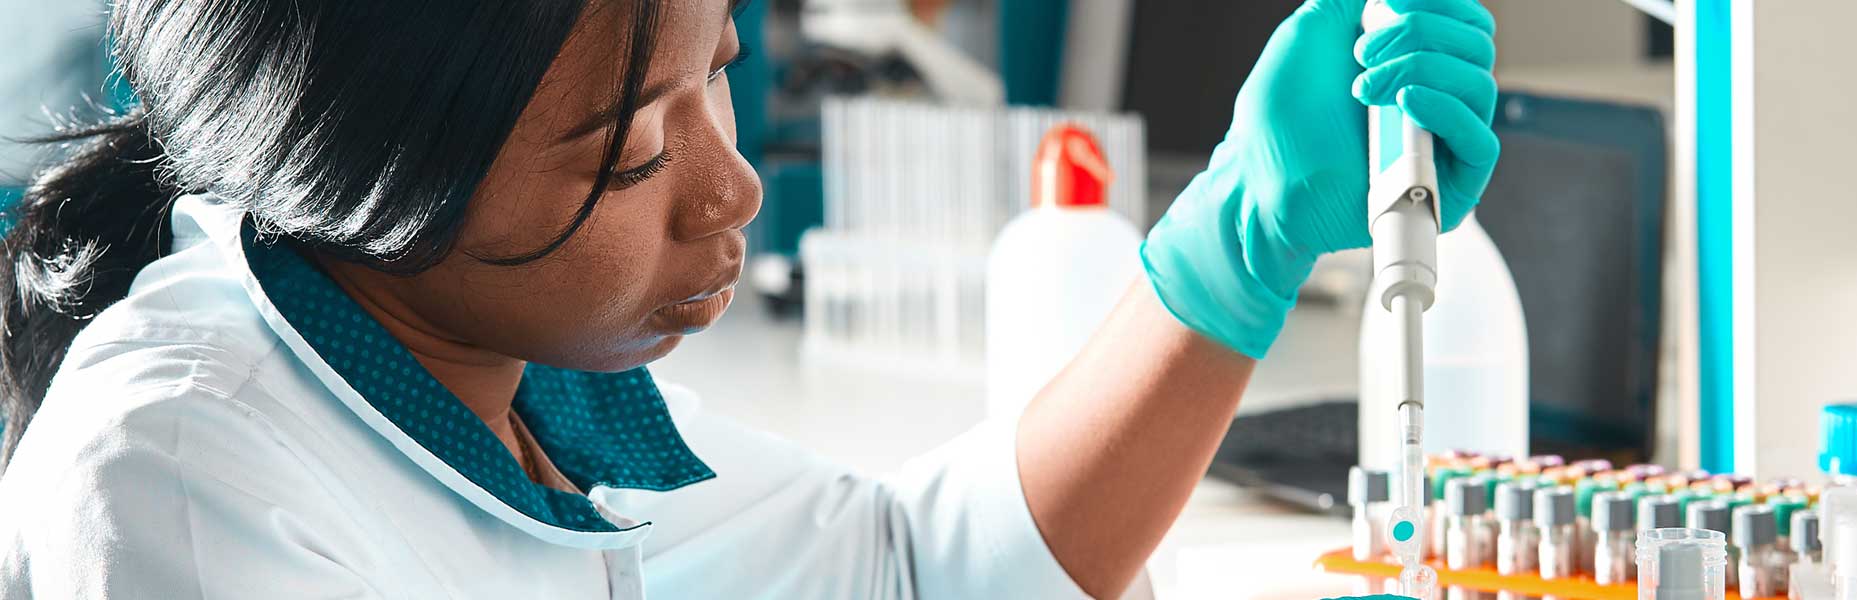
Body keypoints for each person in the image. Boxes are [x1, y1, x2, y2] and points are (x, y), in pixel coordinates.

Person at [0, 0, 1497, 597]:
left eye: (717, 74)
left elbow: (913, 571)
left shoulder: (518, 381)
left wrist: (1239, 232)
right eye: (641, 145)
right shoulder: (188, 491)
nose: (732, 193)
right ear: (386, 178)